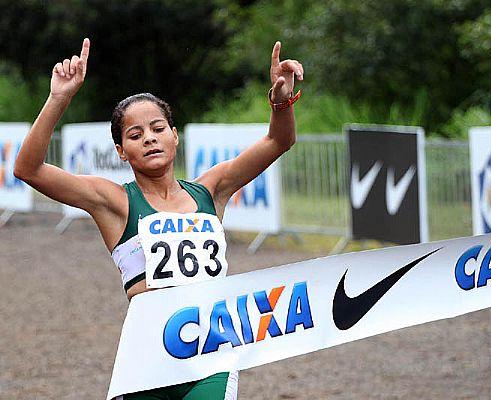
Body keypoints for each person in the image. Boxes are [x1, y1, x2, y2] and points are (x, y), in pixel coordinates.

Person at [14, 38, 303, 400]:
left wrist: (280, 101)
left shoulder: (210, 191)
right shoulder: (115, 203)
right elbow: (28, 169)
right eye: (135, 135)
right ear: (121, 151)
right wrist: (59, 98)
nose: (149, 138)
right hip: (146, 359)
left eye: (158, 128)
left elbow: (279, 140)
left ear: (174, 136)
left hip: (212, 353)